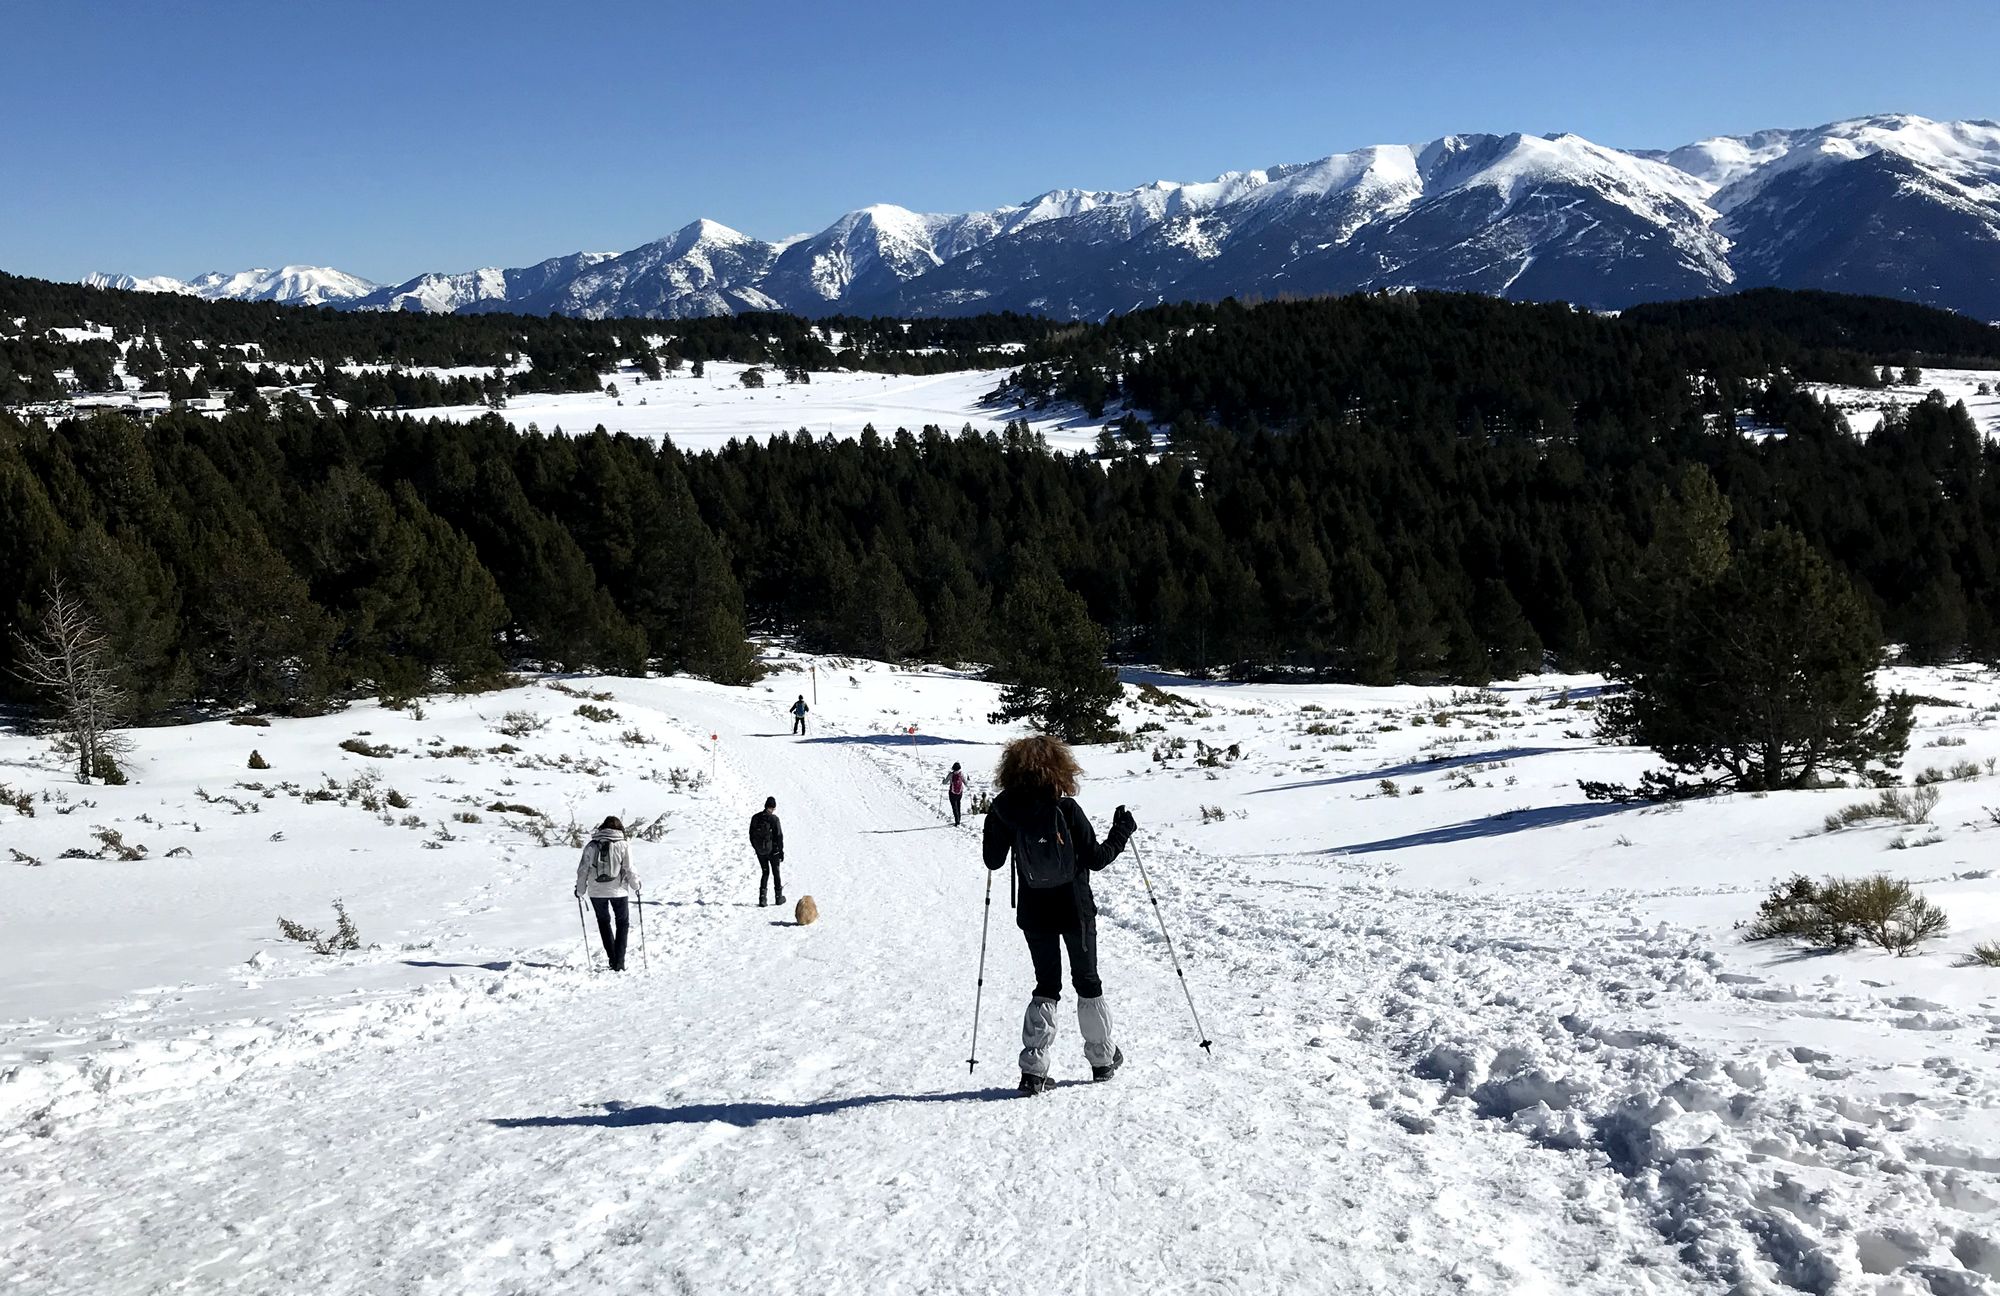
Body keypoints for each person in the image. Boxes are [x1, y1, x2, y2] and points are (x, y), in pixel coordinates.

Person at [982, 735, 1137, 1095]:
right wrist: (1122, 831)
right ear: (1058, 768)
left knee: (1046, 985)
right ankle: (1101, 1059)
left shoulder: (1005, 809)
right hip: (1076, 909)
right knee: (1087, 981)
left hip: (1034, 911)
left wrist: (995, 823)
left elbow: (993, 861)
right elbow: (1097, 859)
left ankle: (1033, 1069)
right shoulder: (1065, 809)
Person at [574, 816, 640, 972]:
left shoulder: (591, 845)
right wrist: (636, 885)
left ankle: (612, 958)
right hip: (619, 891)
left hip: (596, 892)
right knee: (622, 923)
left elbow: (583, 870)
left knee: (604, 923)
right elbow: (629, 868)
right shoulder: (624, 845)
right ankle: (620, 962)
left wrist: (580, 890)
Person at [749, 796, 786, 907]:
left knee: (765, 872)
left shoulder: (755, 817)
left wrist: (756, 848)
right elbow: (779, 836)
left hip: (760, 852)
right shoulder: (774, 819)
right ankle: (778, 898)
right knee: (776, 873)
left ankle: (762, 899)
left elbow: (751, 835)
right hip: (773, 851)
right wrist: (781, 851)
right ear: (774, 807)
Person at [944, 761, 967, 826]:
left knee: (954, 806)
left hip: (952, 793)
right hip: (960, 793)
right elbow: (965, 782)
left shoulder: (951, 774)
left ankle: (957, 821)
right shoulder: (961, 774)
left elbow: (945, 782)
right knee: (958, 805)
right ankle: (959, 819)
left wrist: (943, 780)